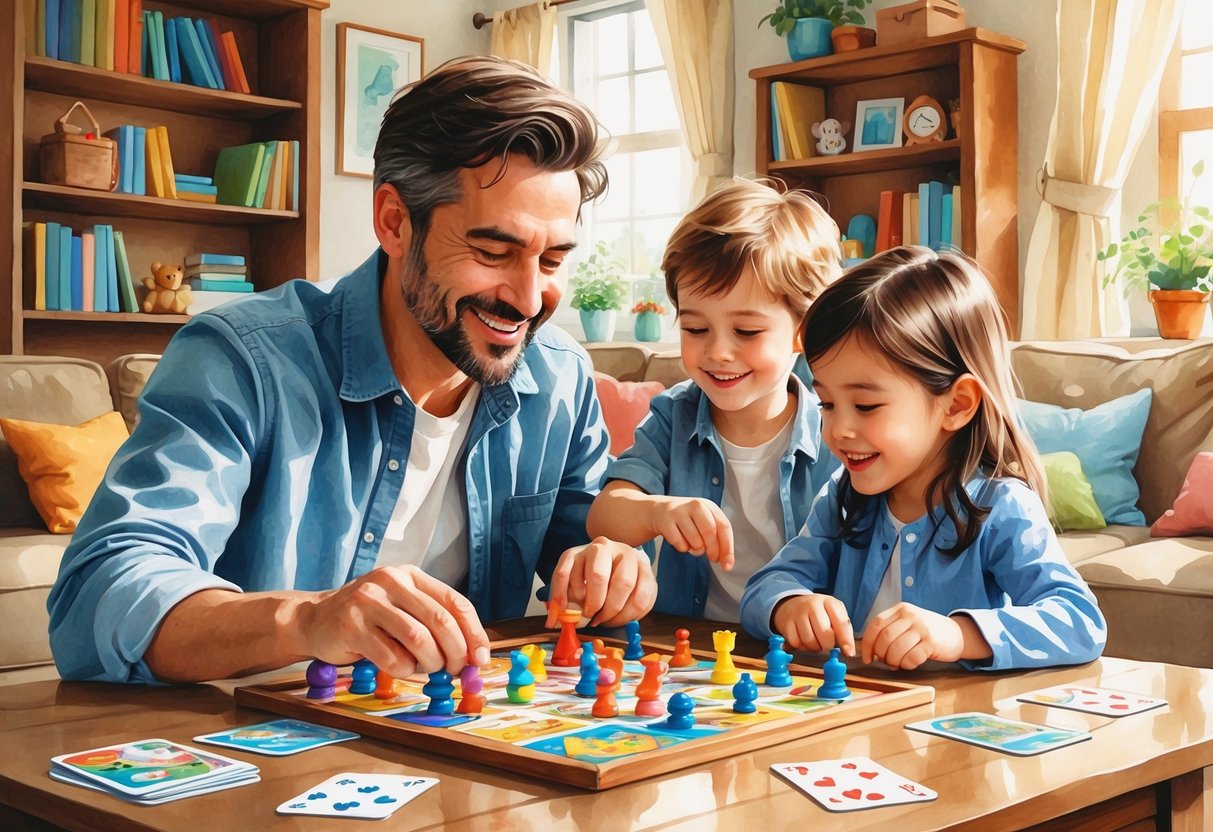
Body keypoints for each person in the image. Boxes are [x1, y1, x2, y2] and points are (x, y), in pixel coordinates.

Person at [48, 56, 656, 685]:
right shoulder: (241, 361)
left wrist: (609, 565)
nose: (529, 300)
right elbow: (101, 592)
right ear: (395, 221)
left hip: (465, 741)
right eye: (492, 251)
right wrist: (308, 620)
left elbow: (583, 540)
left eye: (552, 260)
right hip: (258, 747)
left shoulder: (558, 380)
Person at [739, 247, 1107, 670]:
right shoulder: (841, 498)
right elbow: (764, 588)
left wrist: (959, 634)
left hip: (957, 724)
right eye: (826, 404)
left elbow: (1080, 622)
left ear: (955, 405)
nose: (838, 430)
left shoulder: (1000, 506)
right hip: (860, 715)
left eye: (866, 406)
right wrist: (790, 604)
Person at [585, 178, 842, 622]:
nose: (718, 351)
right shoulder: (674, 416)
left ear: (804, 330)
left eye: (746, 331)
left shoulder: (838, 434)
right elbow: (604, 516)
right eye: (696, 329)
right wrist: (657, 511)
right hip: (694, 656)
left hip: (803, 658)